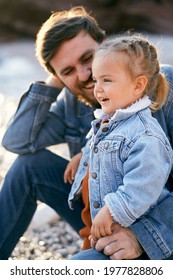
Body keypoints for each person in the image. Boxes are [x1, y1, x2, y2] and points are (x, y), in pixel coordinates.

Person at [0, 6, 173, 260]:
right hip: (99, 220)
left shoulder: (161, 84)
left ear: (104, 45)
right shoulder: (73, 104)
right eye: (67, 71)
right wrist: (54, 82)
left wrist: (142, 237)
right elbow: (16, 140)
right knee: (28, 167)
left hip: (158, 230)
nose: (85, 75)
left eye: (87, 58)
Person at [68, 34, 173, 259]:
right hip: (102, 228)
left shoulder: (146, 134)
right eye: (96, 80)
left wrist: (112, 209)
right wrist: (84, 154)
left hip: (133, 236)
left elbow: (144, 184)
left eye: (107, 80)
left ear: (138, 85)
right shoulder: (112, 120)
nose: (97, 89)